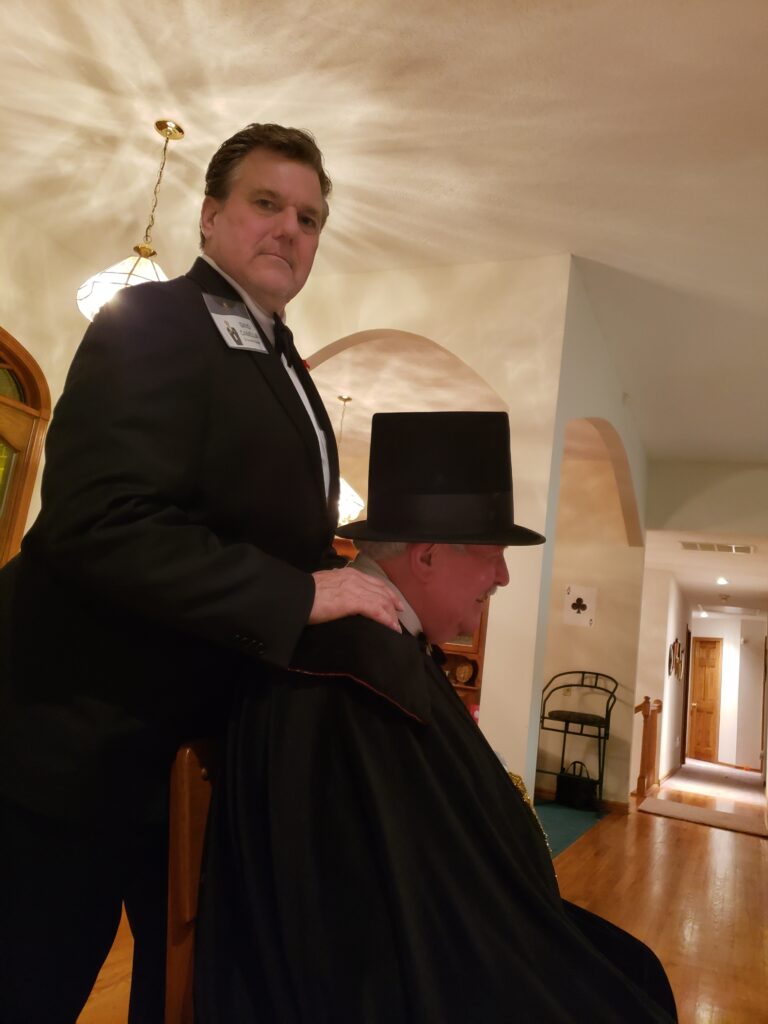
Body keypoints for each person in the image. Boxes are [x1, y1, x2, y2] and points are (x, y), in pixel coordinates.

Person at [0, 123, 401, 1024]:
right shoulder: (151, 319)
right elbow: (99, 523)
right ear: (211, 216)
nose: (290, 228)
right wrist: (299, 593)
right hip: (71, 745)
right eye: (267, 203)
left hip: (194, 756)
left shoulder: (287, 362)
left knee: (185, 995)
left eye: (309, 217)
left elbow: (274, 530)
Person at [195, 411, 677, 1023]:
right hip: (407, 970)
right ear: (426, 555)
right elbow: (370, 919)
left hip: (468, 931)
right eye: (493, 554)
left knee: (634, 969)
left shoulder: (387, 647)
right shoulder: (354, 671)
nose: (503, 576)